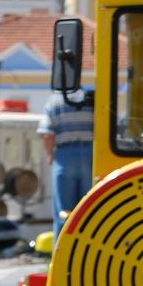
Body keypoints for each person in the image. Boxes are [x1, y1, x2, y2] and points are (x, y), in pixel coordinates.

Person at [38, 87, 94, 242]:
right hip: (91, 154)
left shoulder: (54, 101)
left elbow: (47, 134)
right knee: (89, 210)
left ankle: (62, 255)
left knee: (64, 212)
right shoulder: (91, 98)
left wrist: (50, 154)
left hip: (64, 155)